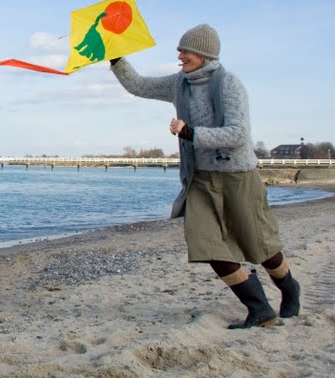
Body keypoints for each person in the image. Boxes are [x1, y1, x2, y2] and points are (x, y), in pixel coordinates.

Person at [109, 24, 301, 329]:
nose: (180, 55)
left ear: (204, 53)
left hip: (236, 174)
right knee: (205, 244)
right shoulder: (178, 83)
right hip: (199, 177)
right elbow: (139, 86)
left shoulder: (229, 84)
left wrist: (190, 132)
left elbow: (238, 135)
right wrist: (115, 57)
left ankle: (289, 288)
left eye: (185, 50)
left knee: (259, 245)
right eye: (179, 50)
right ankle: (259, 308)